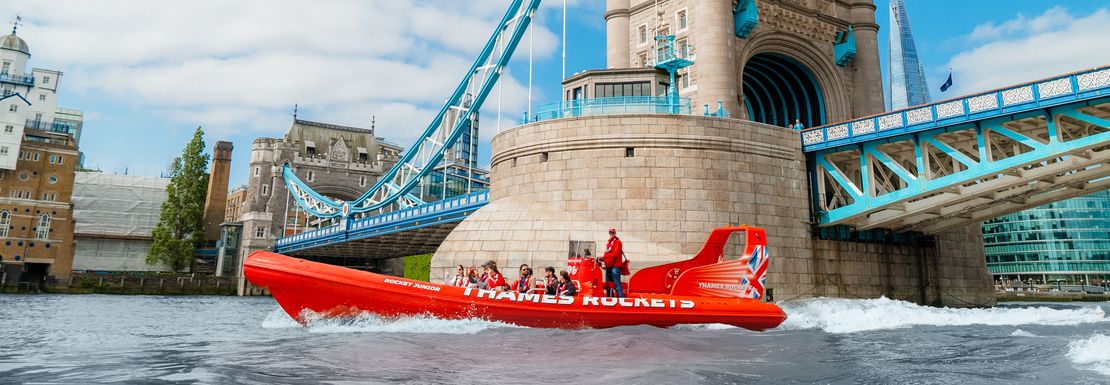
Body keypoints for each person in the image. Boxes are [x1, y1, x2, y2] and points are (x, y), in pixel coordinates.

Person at [602, 228, 625, 297]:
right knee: (608, 284)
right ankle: (608, 298)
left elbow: (615, 254)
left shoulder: (618, 242)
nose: (611, 234)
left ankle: (621, 298)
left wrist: (605, 257)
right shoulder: (609, 244)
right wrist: (603, 259)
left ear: (615, 234)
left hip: (615, 266)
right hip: (609, 266)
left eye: (612, 233)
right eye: (610, 233)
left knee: (617, 284)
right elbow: (607, 254)